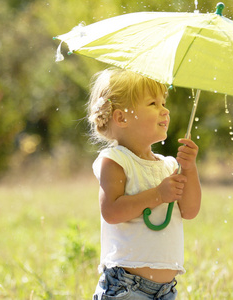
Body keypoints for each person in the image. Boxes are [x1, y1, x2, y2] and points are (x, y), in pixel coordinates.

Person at [88, 68, 201, 300]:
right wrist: (158, 195)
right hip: (125, 286)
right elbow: (111, 211)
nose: (165, 110)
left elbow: (189, 211)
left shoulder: (169, 166)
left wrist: (189, 168)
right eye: (153, 104)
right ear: (122, 118)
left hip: (166, 290)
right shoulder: (116, 160)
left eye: (163, 102)